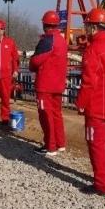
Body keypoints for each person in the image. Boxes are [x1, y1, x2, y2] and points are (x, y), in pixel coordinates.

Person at [76, 7, 105, 196]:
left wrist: (81, 103)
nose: (86, 29)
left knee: (96, 144)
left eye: (87, 26)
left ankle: (102, 184)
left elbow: (88, 82)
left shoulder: (93, 50)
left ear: (94, 27)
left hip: (97, 107)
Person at [29, 10, 68, 156]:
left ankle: (50, 146)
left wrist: (31, 63)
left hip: (45, 85)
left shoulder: (47, 40)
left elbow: (35, 61)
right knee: (56, 114)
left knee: (46, 115)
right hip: (58, 84)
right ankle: (60, 143)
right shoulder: (62, 40)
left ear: (45, 24)